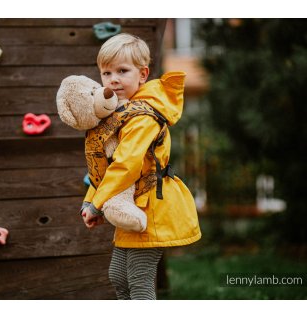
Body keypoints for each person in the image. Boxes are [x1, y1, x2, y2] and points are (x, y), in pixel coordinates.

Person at [81, 33, 202, 300]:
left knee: (138, 277)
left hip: (152, 206)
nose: (113, 79)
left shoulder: (143, 116)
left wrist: (97, 204)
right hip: (133, 204)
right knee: (117, 275)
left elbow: (126, 164)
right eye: (106, 72)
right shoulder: (122, 114)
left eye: (122, 71)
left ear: (143, 74)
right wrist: (91, 198)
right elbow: (106, 164)